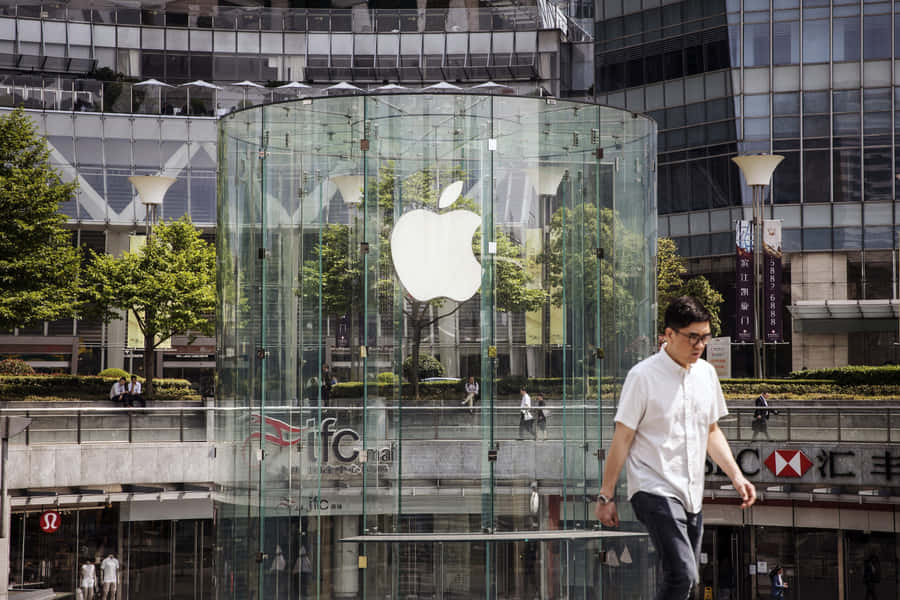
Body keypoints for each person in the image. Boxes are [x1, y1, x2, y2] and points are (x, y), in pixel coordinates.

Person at [594, 296, 756, 600]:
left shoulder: (707, 374)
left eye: (704, 337)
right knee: (683, 574)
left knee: (684, 581)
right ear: (667, 335)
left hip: (691, 495)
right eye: (691, 337)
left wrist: (737, 477)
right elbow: (622, 437)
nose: (699, 345)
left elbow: (711, 432)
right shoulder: (642, 377)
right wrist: (606, 495)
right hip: (652, 488)